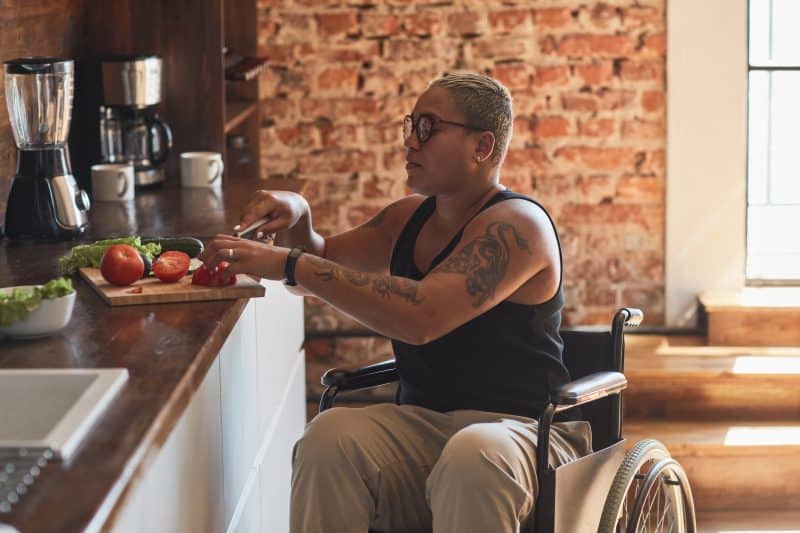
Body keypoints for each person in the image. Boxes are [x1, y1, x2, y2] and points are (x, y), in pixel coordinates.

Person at [200, 73, 592, 533]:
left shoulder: (518, 226)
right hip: (426, 427)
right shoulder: (409, 217)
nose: (410, 141)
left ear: (482, 147)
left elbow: (422, 317)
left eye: (428, 128)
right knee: (328, 438)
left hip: (526, 434)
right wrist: (299, 217)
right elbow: (322, 263)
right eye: (411, 125)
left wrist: (289, 263)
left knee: (473, 455)